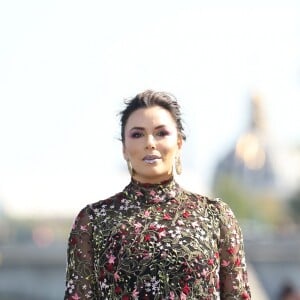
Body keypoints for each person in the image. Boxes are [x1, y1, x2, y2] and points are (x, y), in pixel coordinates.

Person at [64, 90, 251, 299]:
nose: (150, 143)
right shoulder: (93, 221)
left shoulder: (215, 216)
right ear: (124, 149)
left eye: (161, 133)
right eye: (137, 134)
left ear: (179, 143)